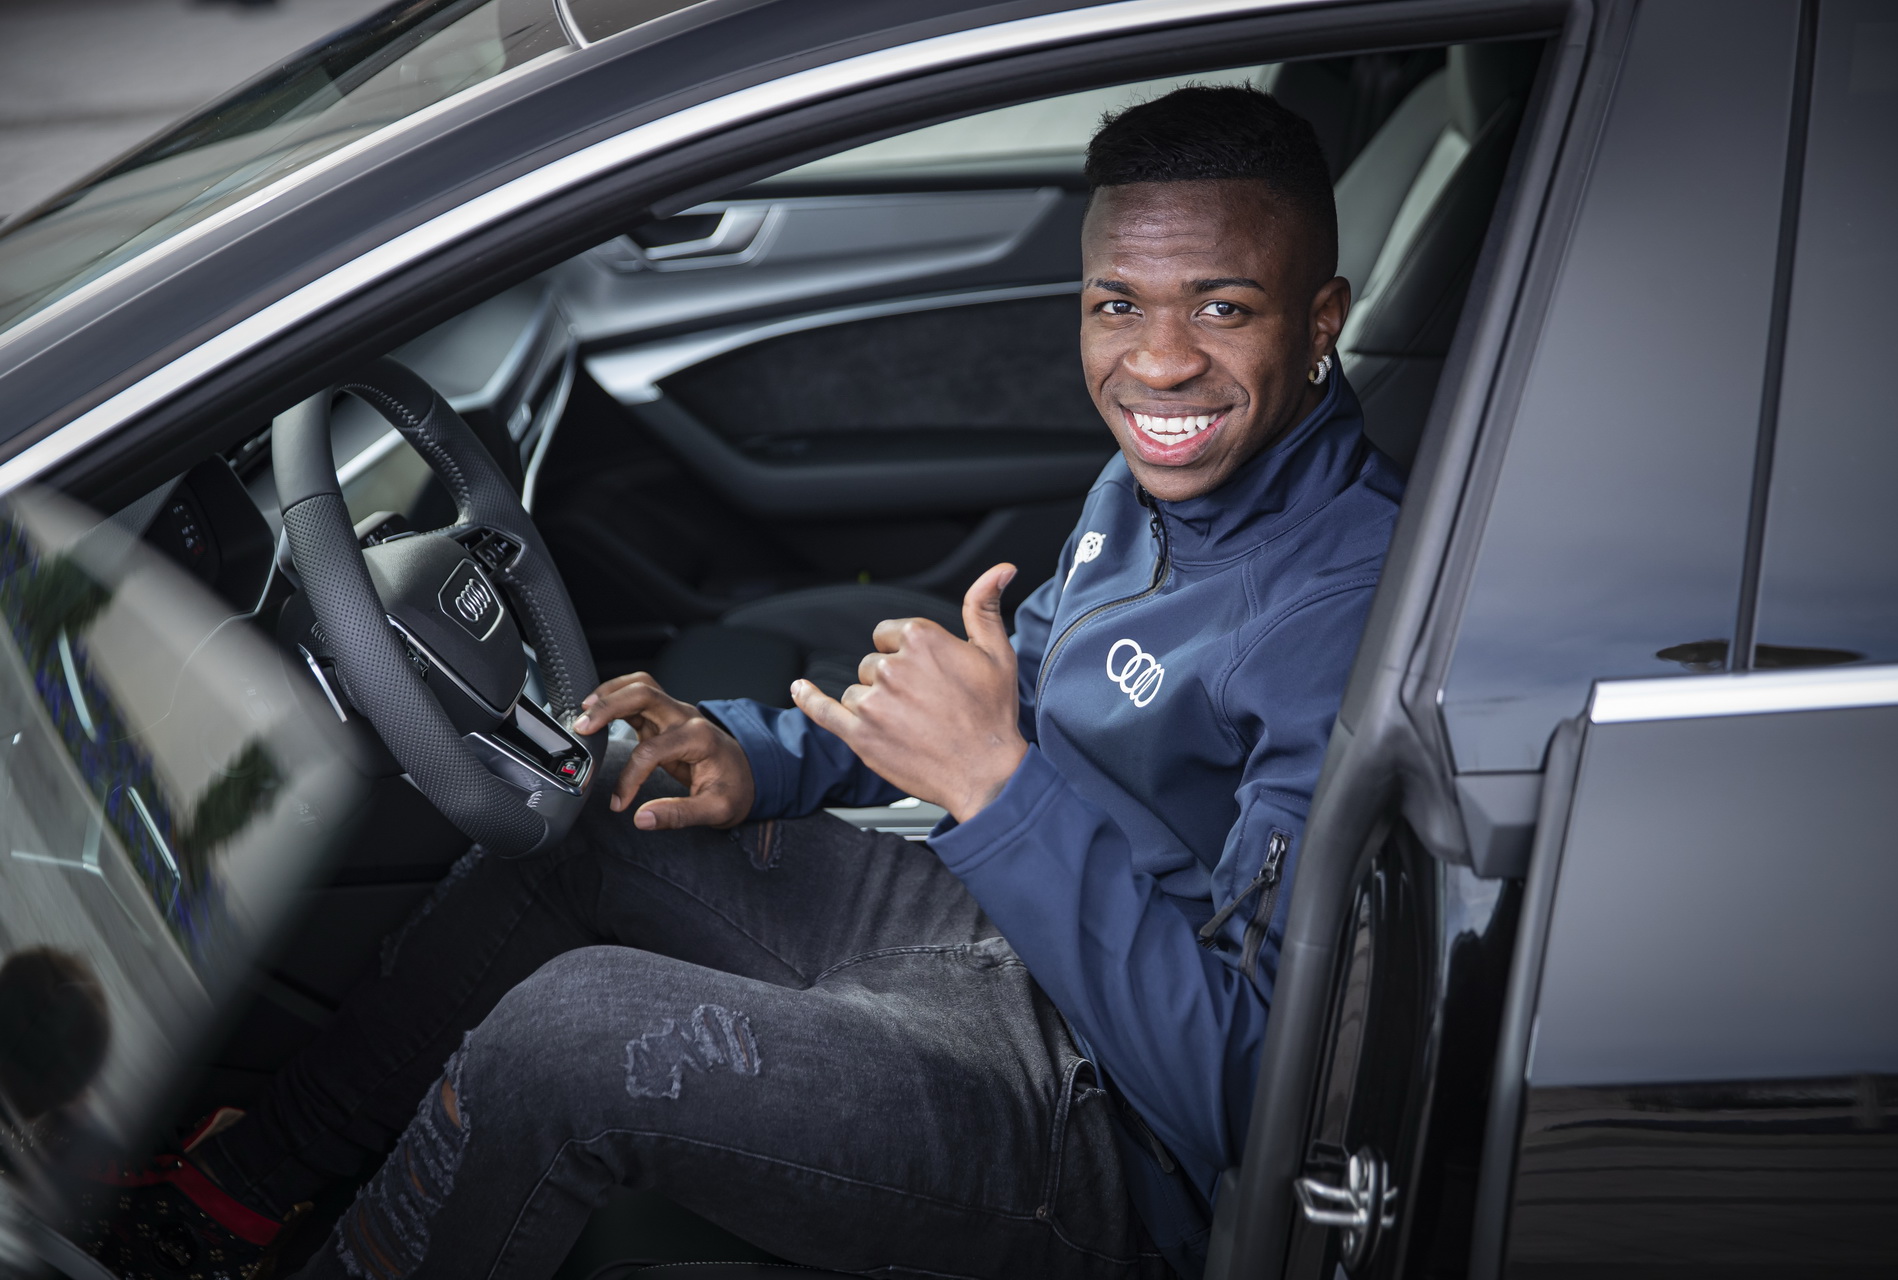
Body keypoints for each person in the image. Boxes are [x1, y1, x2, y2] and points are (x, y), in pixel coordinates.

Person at [84, 85, 1402, 1280]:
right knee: (613, 795)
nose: (1160, 364)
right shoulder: (1161, 486)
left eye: (1222, 308)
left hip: (1108, 1134)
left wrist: (997, 787)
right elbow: (1042, 673)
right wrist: (756, 752)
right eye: (1120, 303)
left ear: (1321, 319)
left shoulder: (1338, 616)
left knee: (571, 1042)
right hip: (998, 924)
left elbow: (1254, 1096)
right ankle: (232, 1202)